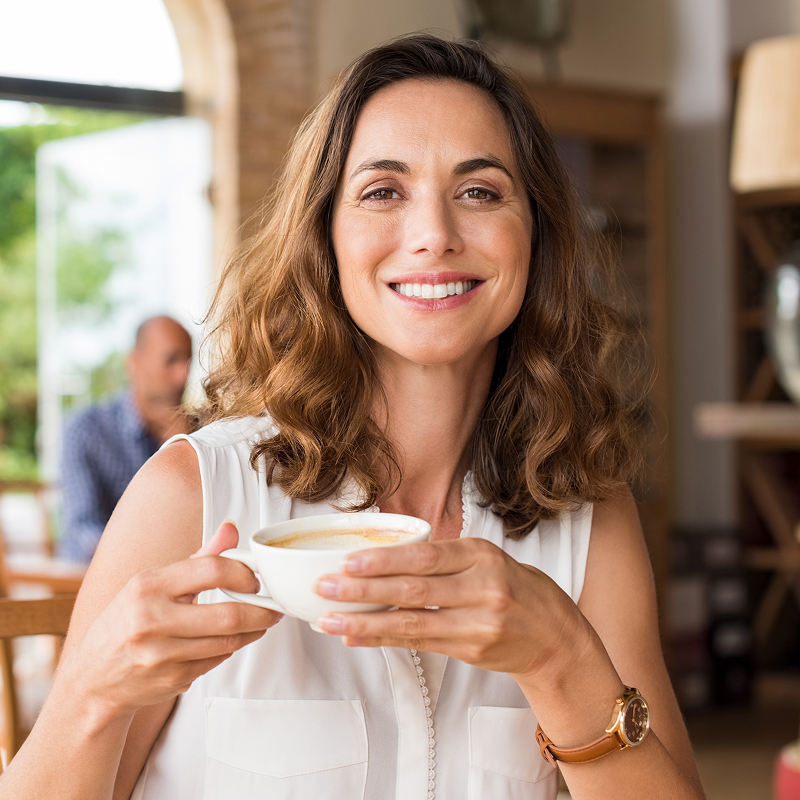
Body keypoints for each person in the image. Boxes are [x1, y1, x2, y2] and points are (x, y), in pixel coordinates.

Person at [1, 36, 705, 800]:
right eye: (382, 192)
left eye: (480, 191)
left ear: (534, 234)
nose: (434, 233)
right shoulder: (191, 494)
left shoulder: (589, 521)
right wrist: (89, 698)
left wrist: (561, 659)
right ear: (324, 236)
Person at [58, 315, 194, 563]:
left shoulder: (201, 432)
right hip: (104, 581)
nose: (182, 376)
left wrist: (184, 449)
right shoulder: (87, 430)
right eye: (171, 360)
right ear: (134, 362)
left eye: (188, 361)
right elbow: (82, 529)